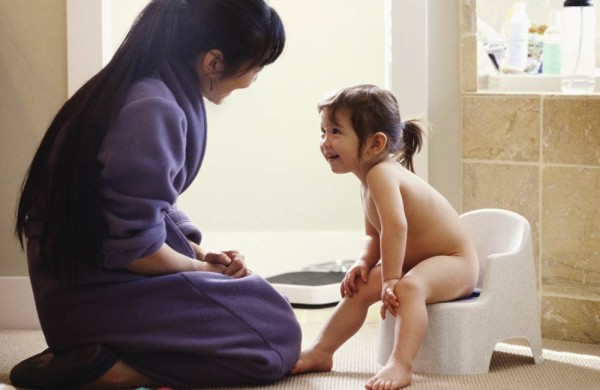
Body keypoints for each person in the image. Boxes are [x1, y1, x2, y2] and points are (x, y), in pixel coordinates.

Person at [11, 0, 301, 388]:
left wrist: (199, 253)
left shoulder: (145, 88)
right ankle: (107, 369)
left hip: (94, 279)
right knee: (276, 336)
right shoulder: (152, 106)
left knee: (261, 304)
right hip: (90, 294)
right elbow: (136, 248)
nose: (255, 76)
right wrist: (203, 270)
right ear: (213, 62)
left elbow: (144, 210)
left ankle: (98, 355)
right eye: (257, 65)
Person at [291, 84, 479, 390]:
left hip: (454, 263)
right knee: (360, 287)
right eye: (323, 131)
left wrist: (392, 279)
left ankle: (401, 365)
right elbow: (374, 235)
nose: (326, 142)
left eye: (336, 131)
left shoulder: (382, 174)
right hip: (414, 263)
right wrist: (363, 263)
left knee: (410, 287)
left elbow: (396, 227)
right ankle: (321, 351)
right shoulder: (367, 179)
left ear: (375, 143)